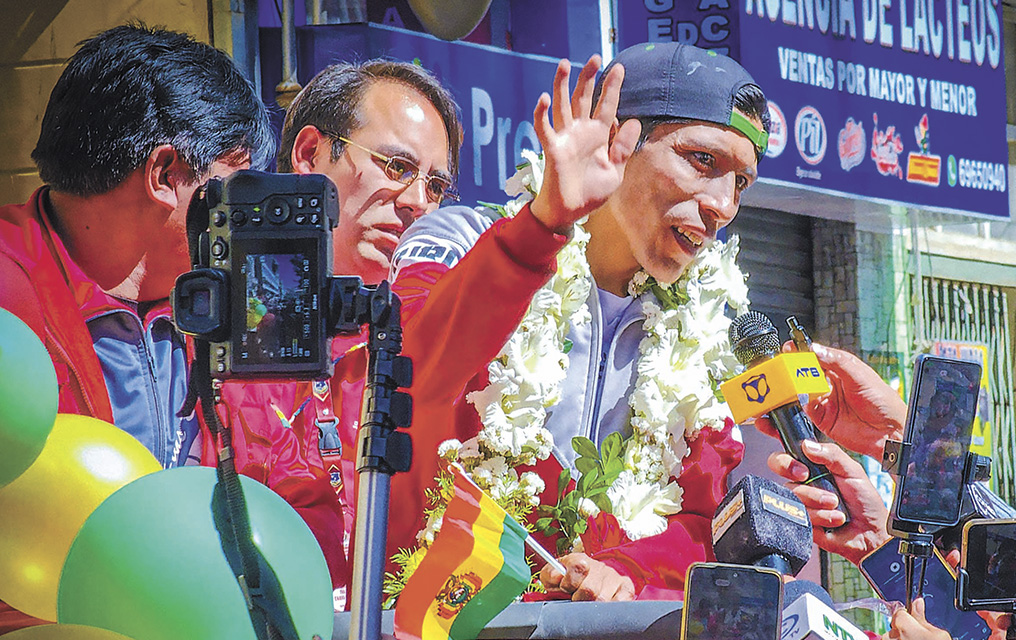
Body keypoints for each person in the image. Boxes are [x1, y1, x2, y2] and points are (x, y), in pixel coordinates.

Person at [386, 42, 771, 600]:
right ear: (616, 137)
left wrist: (620, 572)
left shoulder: (708, 330)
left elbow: (699, 522)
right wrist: (540, 228)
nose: (723, 204)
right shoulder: (459, 240)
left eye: (741, 181)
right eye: (701, 160)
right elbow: (408, 377)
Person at [0, 24, 341, 631]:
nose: (249, 206)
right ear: (164, 175)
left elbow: (281, 487)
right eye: (236, 176)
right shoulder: (7, 302)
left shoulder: (222, 300)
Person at [216, 58, 464, 604]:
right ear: (310, 154)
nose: (419, 202)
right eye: (396, 166)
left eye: (437, 185)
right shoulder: (219, 323)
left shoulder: (420, 337)